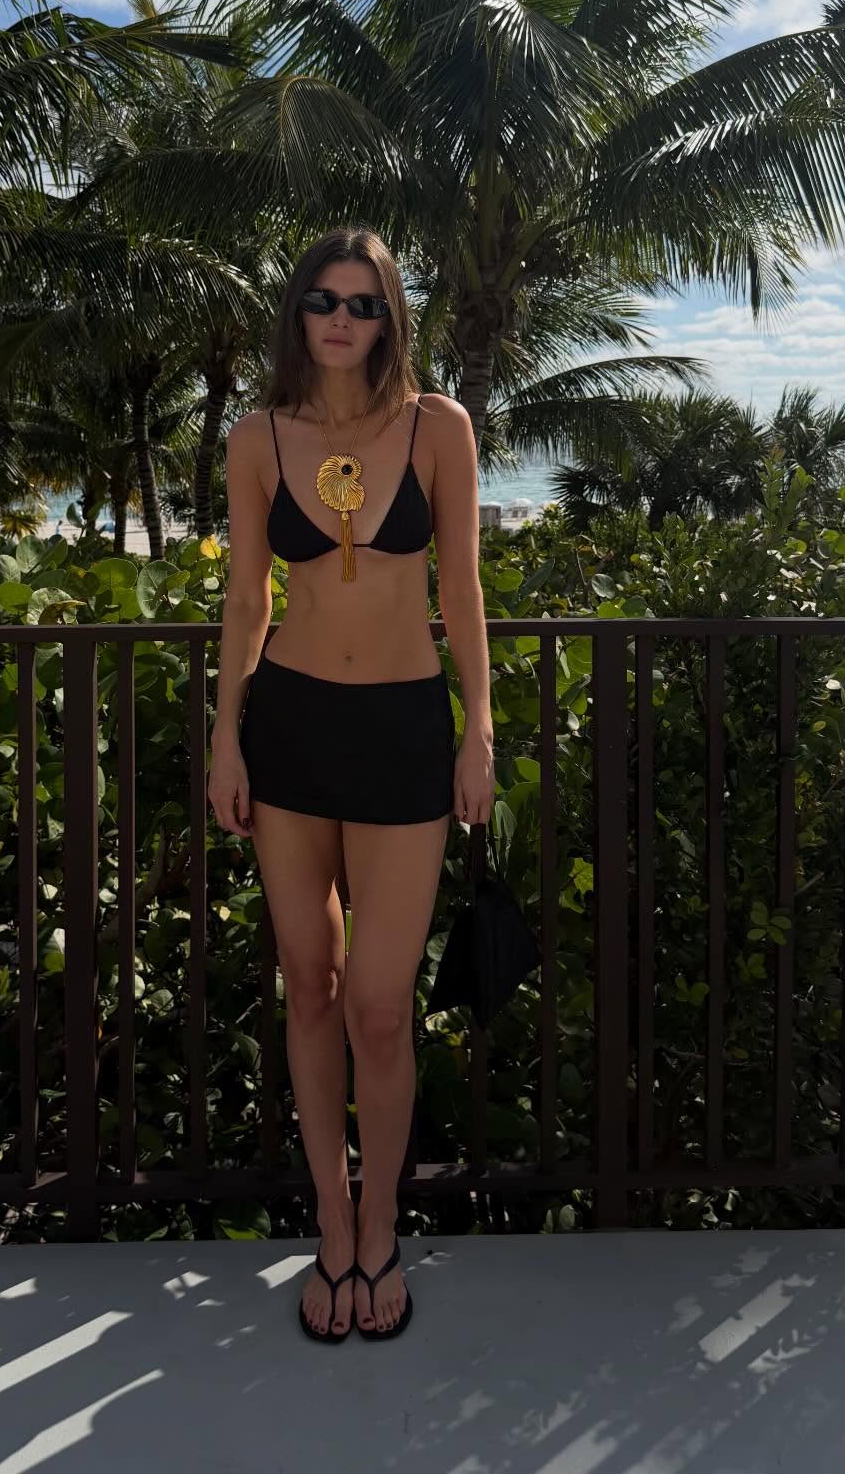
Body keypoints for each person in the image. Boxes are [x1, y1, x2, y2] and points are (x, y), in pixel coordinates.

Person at [208, 226, 496, 1343]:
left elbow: (462, 587)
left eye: (364, 303)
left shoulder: (437, 428)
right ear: (298, 312)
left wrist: (478, 733)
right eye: (325, 300)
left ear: (390, 319)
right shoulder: (255, 437)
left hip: (400, 735)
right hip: (289, 732)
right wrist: (227, 738)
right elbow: (246, 603)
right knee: (309, 986)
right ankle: (332, 1227)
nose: (342, 318)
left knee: (380, 1006)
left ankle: (384, 1225)